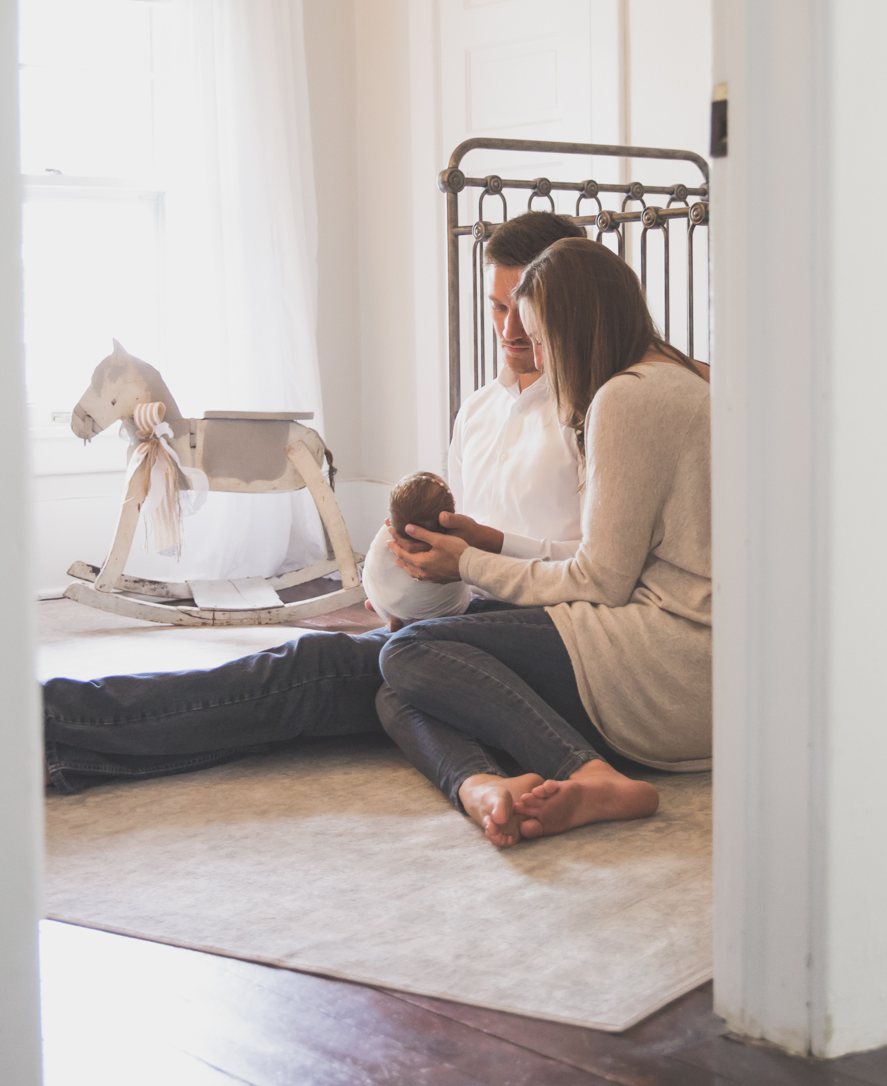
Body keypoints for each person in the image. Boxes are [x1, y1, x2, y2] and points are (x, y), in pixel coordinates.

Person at [41, 211, 589, 791]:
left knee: (314, 672)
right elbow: (459, 536)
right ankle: (60, 744)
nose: (510, 331)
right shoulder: (479, 411)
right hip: (453, 619)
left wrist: (476, 557)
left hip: (542, 630)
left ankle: (52, 720)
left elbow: (602, 567)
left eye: (525, 311)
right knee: (307, 689)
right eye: (498, 308)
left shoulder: (594, 414)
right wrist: (411, 567)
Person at [376, 238, 712, 848]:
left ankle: (588, 772)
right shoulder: (676, 381)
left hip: (674, 666)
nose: (544, 361)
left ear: (575, 328)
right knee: (396, 685)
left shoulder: (628, 396)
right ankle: (482, 786)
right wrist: (495, 544)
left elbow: (599, 583)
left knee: (410, 655)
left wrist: (469, 562)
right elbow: (610, 563)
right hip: (705, 665)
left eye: (543, 339)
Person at [360, 472, 472, 629]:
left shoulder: (385, 535)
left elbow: (373, 565)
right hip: (443, 614)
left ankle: (395, 621)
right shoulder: (457, 542)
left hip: (384, 606)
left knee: (378, 575)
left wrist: (383, 599)